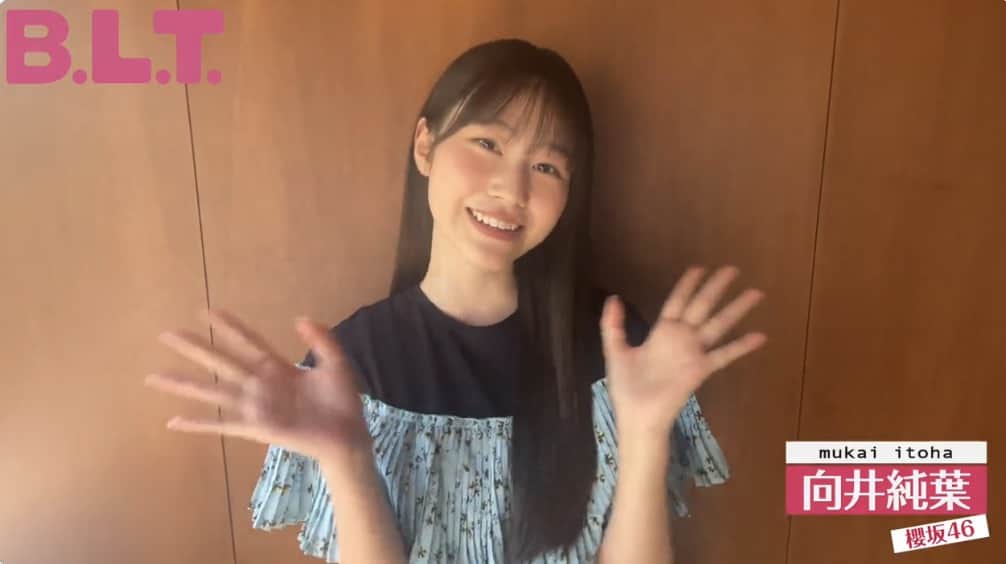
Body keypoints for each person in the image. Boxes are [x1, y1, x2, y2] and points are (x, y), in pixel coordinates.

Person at [145, 38, 768, 564]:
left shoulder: (616, 347)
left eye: (546, 167)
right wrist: (347, 457)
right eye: (488, 145)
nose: (512, 190)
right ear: (425, 146)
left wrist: (647, 431)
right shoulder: (351, 367)